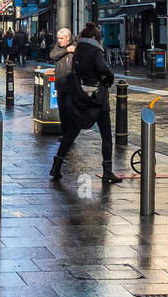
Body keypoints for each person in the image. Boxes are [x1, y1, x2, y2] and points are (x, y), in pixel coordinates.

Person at [49, 22, 121, 185]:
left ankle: (56, 165)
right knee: (106, 135)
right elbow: (103, 68)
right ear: (95, 37)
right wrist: (110, 77)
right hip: (97, 97)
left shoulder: (78, 48)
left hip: (79, 96)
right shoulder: (95, 50)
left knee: (71, 132)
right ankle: (107, 171)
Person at [49, 27, 76, 147]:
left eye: (62, 38)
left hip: (71, 84)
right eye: (58, 39)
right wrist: (66, 50)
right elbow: (53, 55)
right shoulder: (59, 47)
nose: (59, 41)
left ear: (68, 37)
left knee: (71, 110)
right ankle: (65, 134)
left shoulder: (76, 45)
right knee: (62, 111)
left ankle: (70, 135)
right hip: (60, 84)